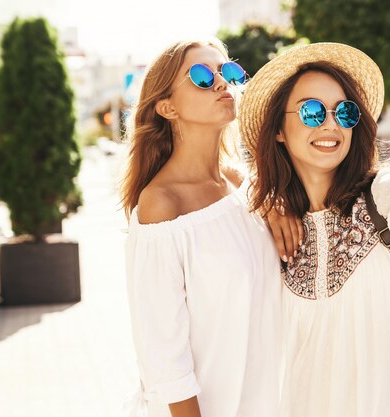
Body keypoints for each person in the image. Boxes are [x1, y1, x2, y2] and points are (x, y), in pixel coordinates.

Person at [239, 43, 390, 417]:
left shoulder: (387, 195)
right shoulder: (265, 224)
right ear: (278, 129)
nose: (330, 124)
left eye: (345, 112)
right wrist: (270, 205)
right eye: (311, 111)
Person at [121, 38, 285, 417]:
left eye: (228, 71)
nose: (221, 83)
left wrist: (278, 207)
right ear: (167, 107)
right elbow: (164, 356)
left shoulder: (246, 185)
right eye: (200, 76)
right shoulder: (161, 204)